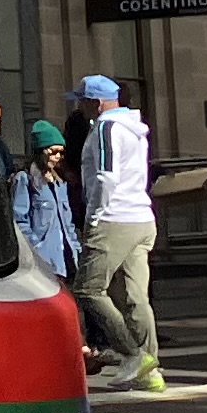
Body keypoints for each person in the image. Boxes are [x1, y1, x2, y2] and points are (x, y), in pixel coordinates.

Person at [68, 74, 162, 394]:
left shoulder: (106, 127)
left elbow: (106, 176)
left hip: (114, 218)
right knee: (135, 297)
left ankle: (133, 356)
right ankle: (150, 367)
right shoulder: (136, 130)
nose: (79, 107)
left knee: (88, 289)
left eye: (82, 100)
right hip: (141, 218)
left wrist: (94, 216)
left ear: (96, 102)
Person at [12, 117, 81, 285]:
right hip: (44, 260)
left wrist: (76, 248)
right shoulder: (26, 179)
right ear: (41, 150)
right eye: (53, 151)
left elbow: (67, 221)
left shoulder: (60, 181)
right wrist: (36, 248)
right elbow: (19, 220)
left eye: (61, 152)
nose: (57, 157)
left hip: (67, 259)